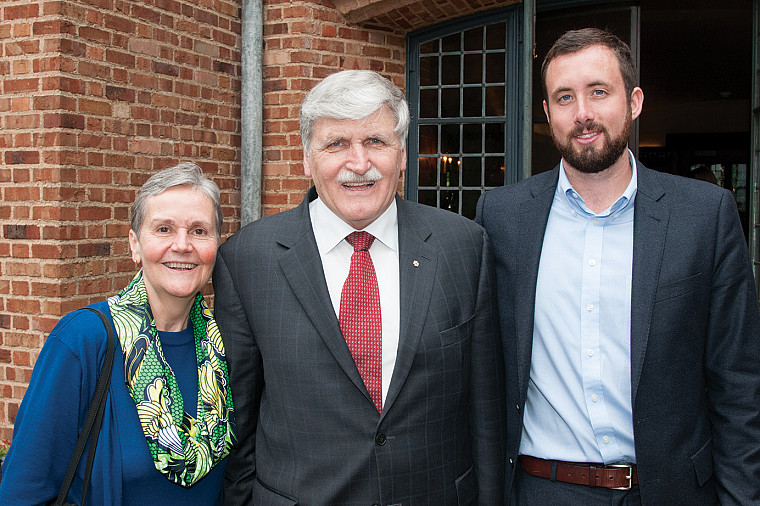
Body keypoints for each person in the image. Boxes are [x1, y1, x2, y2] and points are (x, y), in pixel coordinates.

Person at [476, 28, 760, 504]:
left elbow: (739, 385)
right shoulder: (502, 217)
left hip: (669, 492)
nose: (582, 112)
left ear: (634, 101)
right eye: (564, 97)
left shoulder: (704, 216)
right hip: (541, 490)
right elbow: (480, 371)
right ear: (547, 113)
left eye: (599, 92)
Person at [214, 69, 506, 504]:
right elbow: (237, 424)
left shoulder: (463, 247)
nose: (358, 163)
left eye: (375, 141)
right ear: (307, 159)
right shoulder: (246, 259)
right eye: (336, 144)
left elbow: (486, 413)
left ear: (403, 154)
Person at [0, 162, 236, 505]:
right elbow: (22, 491)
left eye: (199, 231)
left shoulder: (221, 348)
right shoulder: (84, 340)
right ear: (135, 245)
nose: (183, 245)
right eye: (164, 229)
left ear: (217, 245)